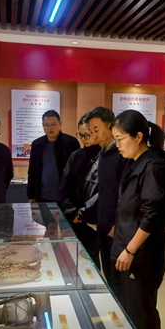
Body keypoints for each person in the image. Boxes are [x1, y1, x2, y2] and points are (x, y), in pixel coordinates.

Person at [110, 110, 165, 329]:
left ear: (139, 137)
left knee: (143, 312)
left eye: (120, 139)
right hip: (127, 249)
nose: (117, 145)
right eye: (115, 139)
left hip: (141, 256)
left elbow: (152, 214)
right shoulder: (135, 162)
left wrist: (130, 249)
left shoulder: (153, 167)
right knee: (132, 311)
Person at [87, 107, 128, 294]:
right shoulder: (103, 153)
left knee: (118, 278)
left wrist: (116, 224)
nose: (94, 136)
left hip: (116, 227)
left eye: (97, 130)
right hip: (103, 224)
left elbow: (125, 193)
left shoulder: (122, 154)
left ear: (111, 126)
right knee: (108, 274)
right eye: (91, 131)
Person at [59, 113, 101, 268]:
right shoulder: (75, 156)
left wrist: (84, 214)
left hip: (93, 218)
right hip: (75, 216)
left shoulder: (103, 156)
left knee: (93, 257)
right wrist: (72, 212)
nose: (84, 139)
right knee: (75, 258)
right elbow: (64, 186)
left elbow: (102, 192)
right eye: (80, 135)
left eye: (87, 135)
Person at [27, 110, 80, 203]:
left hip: (66, 197)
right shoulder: (37, 144)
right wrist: (31, 195)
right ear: (43, 126)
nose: (50, 128)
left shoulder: (71, 143)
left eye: (53, 124)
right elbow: (32, 170)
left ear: (60, 124)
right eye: (46, 125)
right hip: (42, 195)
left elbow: (78, 171)